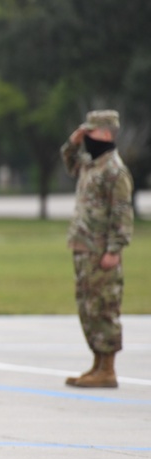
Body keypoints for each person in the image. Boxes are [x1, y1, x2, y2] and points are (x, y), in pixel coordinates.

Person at [61, 110, 134, 389]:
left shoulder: (115, 170)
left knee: (104, 307)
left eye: (89, 132)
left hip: (102, 250)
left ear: (105, 133)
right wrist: (73, 141)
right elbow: (69, 161)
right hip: (84, 248)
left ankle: (108, 369)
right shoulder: (91, 164)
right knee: (88, 307)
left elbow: (121, 213)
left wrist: (114, 249)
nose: (86, 137)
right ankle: (97, 364)